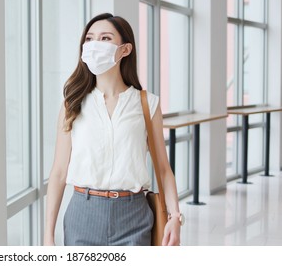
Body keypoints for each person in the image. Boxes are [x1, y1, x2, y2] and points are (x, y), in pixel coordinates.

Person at [43, 13, 183, 246]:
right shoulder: (73, 103)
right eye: (89, 38)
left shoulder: (147, 104)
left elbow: (163, 168)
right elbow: (58, 172)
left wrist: (175, 217)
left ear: (125, 50)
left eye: (105, 38)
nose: (94, 44)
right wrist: (48, 235)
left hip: (134, 216)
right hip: (82, 214)